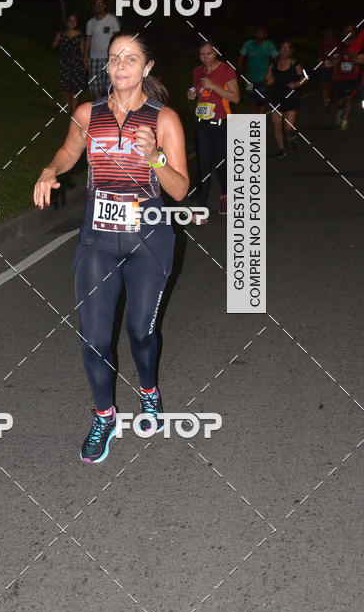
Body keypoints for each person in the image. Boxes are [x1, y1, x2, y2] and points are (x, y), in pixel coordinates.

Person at [34, 34, 189, 463]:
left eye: (131, 58)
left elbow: (179, 189)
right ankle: (105, 414)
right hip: (98, 237)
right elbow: (69, 150)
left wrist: (156, 156)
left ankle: (149, 390)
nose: (120, 65)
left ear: (147, 67)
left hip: (149, 238)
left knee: (141, 331)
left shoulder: (165, 119)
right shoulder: (88, 113)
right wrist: (50, 169)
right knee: (94, 337)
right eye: (115, 58)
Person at [188, 43, 239, 221]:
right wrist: (192, 93)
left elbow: (236, 97)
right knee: (204, 166)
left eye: (209, 53)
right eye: (202, 54)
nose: (205, 58)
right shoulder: (197, 71)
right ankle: (201, 208)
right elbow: (198, 91)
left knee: (221, 165)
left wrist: (214, 85)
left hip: (222, 122)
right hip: (202, 122)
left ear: (216, 52)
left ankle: (225, 197)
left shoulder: (226, 70)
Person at [264, 41, 307, 157]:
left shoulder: (295, 64)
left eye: (287, 49)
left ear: (291, 51)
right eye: (282, 49)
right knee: (277, 125)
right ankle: (282, 149)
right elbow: (267, 78)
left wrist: (296, 84)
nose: (284, 51)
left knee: (288, 127)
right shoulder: (274, 64)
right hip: (276, 98)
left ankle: (292, 136)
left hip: (291, 98)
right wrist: (269, 81)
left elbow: (305, 77)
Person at [84, 0, 120, 98]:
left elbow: (117, 37)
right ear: (94, 8)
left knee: (111, 86)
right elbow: (88, 39)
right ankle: (100, 109)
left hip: (109, 58)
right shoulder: (90, 23)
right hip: (94, 58)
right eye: (96, 5)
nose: (99, 7)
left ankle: (111, 109)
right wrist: (85, 56)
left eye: (101, 4)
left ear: (104, 5)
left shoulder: (111, 20)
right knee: (96, 86)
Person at [50, 13, 86, 114]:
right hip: (64, 63)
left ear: (77, 23)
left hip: (76, 63)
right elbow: (53, 46)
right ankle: (68, 106)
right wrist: (57, 39)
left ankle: (74, 109)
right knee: (64, 86)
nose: (72, 23)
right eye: (70, 20)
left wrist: (84, 62)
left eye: (74, 21)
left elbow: (83, 52)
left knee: (75, 87)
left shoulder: (80, 36)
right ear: (67, 22)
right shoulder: (61, 34)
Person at [238, 27, 278, 113]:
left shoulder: (269, 45)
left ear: (265, 35)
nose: (260, 35)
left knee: (262, 101)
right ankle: (254, 119)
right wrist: (240, 67)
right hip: (250, 79)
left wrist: (271, 74)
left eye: (262, 34)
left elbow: (276, 59)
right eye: (258, 33)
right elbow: (241, 56)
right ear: (254, 34)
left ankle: (260, 120)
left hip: (263, 79)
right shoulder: (249, 44)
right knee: (252, 100)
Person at [332, 25, 361, 131]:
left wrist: (356, 59)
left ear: (354, 33)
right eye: (347, 31)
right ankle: (340, 110)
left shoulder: (357, 44)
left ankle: (345, 120)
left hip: (352, 77)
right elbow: (333, 58)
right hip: (340, 77)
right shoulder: (339, 45)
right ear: (344, 33)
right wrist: (334, 59)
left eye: (351, 31)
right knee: (340, 101)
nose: (350, 33)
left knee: (349, 98)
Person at [318, 29, 341, 110]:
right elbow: (320, 55)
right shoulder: (322, 44)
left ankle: (332, 97)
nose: (327, 36)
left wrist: (334, 58)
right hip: (325, 67)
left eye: (329, 34)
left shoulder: (336, 42)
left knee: (332, 85)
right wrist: (320, 61)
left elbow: (340, 53)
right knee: (325, 85)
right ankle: (326, 103)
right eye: (326, 35)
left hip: (335, 67)